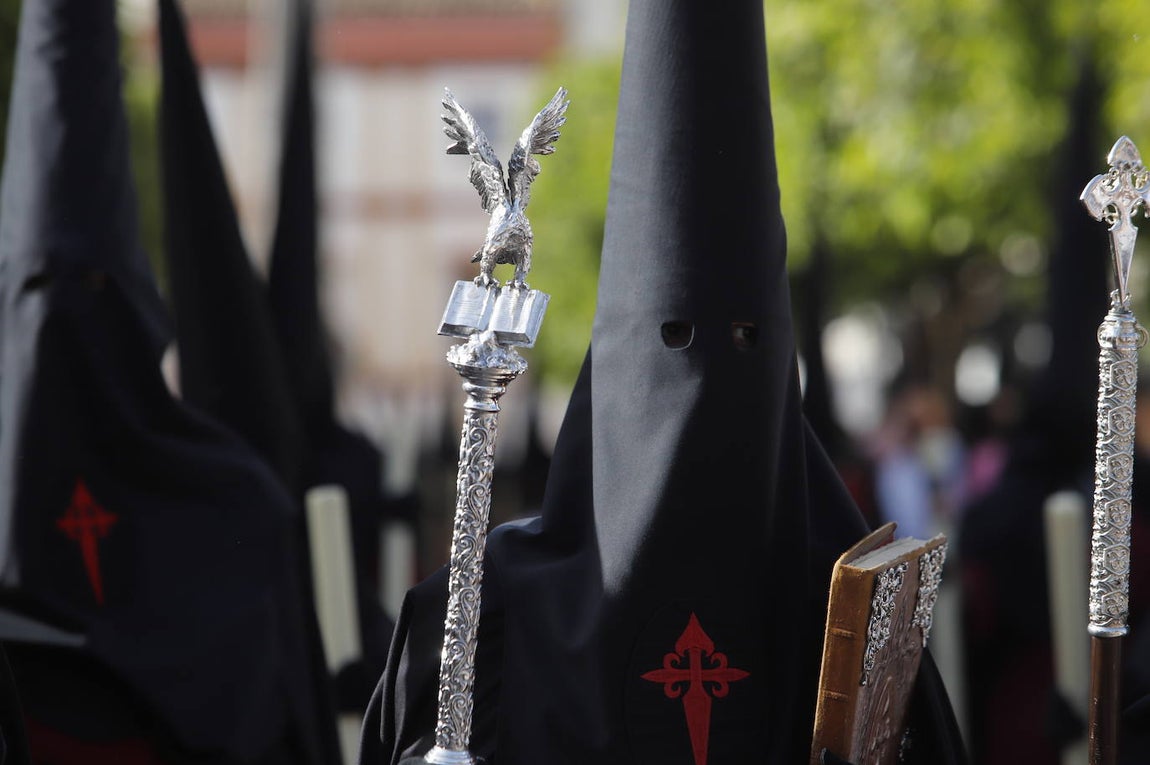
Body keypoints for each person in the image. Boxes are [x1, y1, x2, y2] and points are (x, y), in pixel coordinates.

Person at [359, 0, 966, 763]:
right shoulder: (484, 617)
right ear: (612, 362)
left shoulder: (859, 604)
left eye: (746, 341)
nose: (704, 382)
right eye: (668, 340)